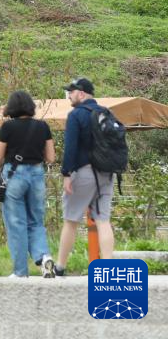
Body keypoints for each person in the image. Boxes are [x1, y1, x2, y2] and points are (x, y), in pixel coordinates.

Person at [55, 77, 115, 274]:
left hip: (85, 172)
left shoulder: (76, 115)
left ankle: (60, 266)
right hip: (107, 173)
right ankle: (107, 268)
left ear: (81, 94)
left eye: (71, 92)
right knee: (103, 220)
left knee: (71, 220)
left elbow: (70, 147)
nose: (69, 95)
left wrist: (66, 174)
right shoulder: (106, 113)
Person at [0, 90, 56, 278]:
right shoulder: (43, 127)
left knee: (16, 224)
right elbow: (51, 157)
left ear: (12, 107)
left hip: (14, 176)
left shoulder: (8, 127)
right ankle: (44, 257)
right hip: (37, 175)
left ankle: (20, 272)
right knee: (36, 221)